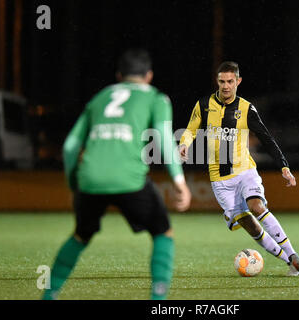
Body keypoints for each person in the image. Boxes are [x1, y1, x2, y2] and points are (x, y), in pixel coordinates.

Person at [42, 49, 191, 300]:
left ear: (119, 75)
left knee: (80, 235)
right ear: (149, 75)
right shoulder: (156, 98)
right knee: (162, 232)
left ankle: (49, 295)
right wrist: (179, 181)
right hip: (129, 179)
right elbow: (164, 139)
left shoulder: (99, 98)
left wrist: (73, 183)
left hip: (89, 179)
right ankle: (158, 299)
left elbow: (69, 147)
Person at [179, 61, 299, 276]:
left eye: (230, 81)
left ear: (238, 81)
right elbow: (191, 129)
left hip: (244, 171)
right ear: (217, 81)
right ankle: (291, 262)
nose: (226, 86)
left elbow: (266, 139)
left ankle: (294, 255)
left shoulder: (246, 108)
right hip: (220, 180)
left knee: (257, 206)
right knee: (251, 226)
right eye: (222, 81)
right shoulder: (203, 105)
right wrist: (184, 143)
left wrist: (283, 166)